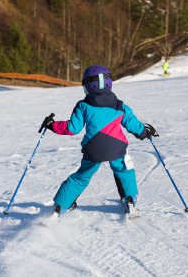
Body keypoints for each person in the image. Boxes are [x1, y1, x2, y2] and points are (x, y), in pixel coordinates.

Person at [39, 64, 158, 216]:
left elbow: (72, 128)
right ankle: (129, 200)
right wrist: (145, 132)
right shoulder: (120, 105)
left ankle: (60, 207)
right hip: (116, 146)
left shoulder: (83, 105)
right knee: (124, 170)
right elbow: (133, 124)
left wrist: (52, 125)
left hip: (93, 148)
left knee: (82, 176)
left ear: (87, 85)